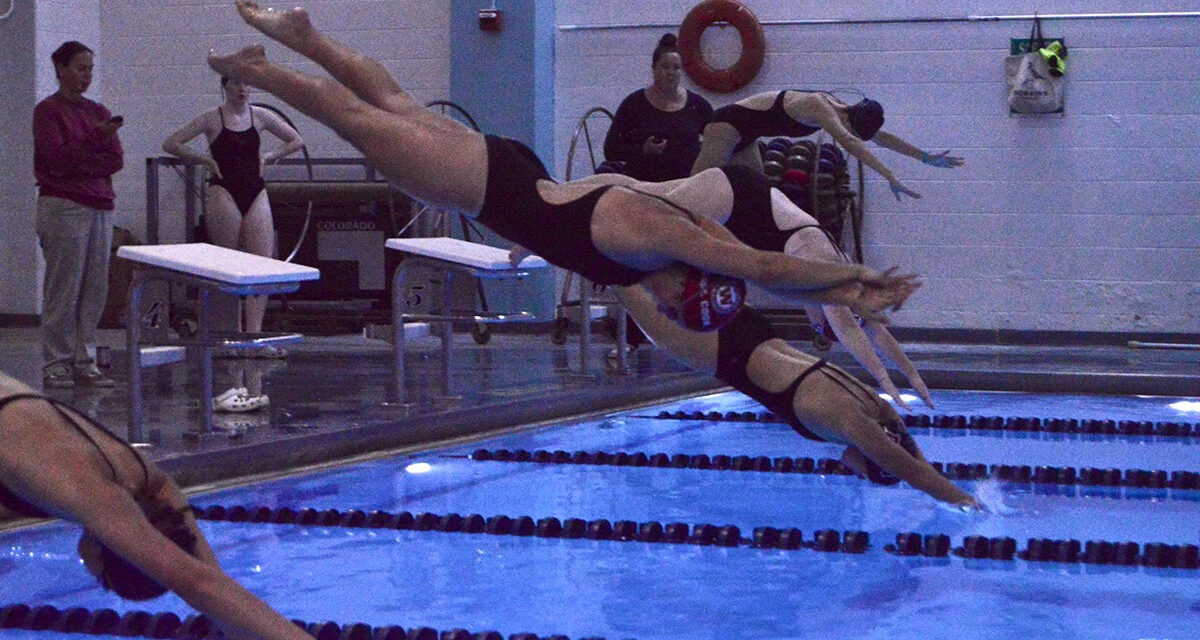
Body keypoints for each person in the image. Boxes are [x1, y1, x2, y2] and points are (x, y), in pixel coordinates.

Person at [208, 3, 918, 333]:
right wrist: (855, 279)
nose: (665, 310)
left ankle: (308, 36)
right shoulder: (659, 240)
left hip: (512, 173)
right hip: (487, 185)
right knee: (360, 121)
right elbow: (765, 270)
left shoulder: (672, 247)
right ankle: (265, 68)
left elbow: (756, 269)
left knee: (387, 102)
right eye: (679, 309)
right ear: (683, 295)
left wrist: (845, 294)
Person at [575, 165, 934, 408]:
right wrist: (885, 384)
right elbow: (850, 330)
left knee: (639, 192)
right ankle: (562, 214)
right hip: (736, 196)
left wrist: (914, 378)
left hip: (738, 194)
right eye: (822, 326)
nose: (820, 326)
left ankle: (568, 194)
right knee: (636, 204)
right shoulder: (826, 268)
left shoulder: (830, 275)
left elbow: (873, 331)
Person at [0, 370, 311, 640]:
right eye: (101, 579)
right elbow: (198, 583)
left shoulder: (142, 477)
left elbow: (212, 580)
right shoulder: (93, 496)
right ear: (111, 551)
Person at [615, 279, 980, 508]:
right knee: (620, 278)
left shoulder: (876, 407)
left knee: (650, 269)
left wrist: (933, 473)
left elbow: (907, 450)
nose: (851, 471)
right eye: (865, 472)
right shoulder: (850, 423)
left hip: (757, 330)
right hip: (722, 353)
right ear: (872, 459)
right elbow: (906, 466)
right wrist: (962, 500)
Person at [162, 75, 303, 412]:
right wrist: (205, 161)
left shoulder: (260, 116)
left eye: (247, 84)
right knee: (226, 268)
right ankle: (231, 334)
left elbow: (295, 140)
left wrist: (270, 156)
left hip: (255, 190)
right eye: (236, 84)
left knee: (262, 265)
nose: (242, 89)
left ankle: (252, 336)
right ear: (225, 87)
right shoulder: (213, 118)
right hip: (223, 191)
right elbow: (172, 142)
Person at [33, 41, 124, 390]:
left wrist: (86, 156)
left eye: (90, 69)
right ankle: (57, 363)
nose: (87, 75)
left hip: (100, 204)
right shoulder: (48, 111)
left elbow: (114, 159)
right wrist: (93, 141)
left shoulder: (98, 110)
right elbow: (57, 160)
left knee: (93, 288)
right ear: (60, 68)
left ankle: (85, 361)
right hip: (64, 206)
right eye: (80, 68)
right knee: (64, 288)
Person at [690, 90, 964, 200]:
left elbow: (882, 138)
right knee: (694, 189)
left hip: (747, 136)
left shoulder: (846, 113)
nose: (849, 134)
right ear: (851, 120)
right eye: (853, 131)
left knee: (758, 195)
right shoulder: (820, 106)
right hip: (726, 125)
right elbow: (848, 141)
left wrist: (926, 158)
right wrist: (888, 175)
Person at [602, 33, 713, 184]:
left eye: (676, 68)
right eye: (665, 67)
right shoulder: (634, 104)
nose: (671, 73)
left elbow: (718, 138)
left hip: (686, 185)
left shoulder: (697, 105)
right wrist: (643, 150)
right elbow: (610, 150)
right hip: (643, 185)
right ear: (654, 69)